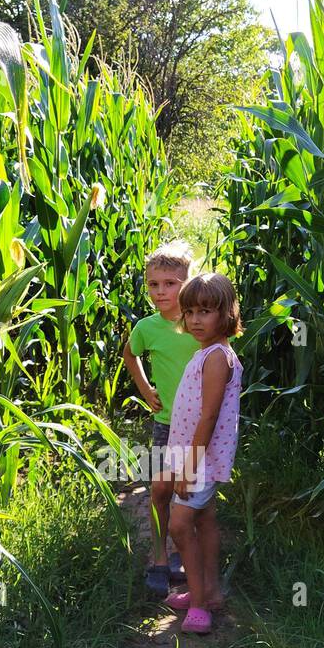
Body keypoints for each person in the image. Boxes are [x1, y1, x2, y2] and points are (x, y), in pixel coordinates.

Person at [165, 272, 243, 635]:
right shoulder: (209, 353)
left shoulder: (216, 358)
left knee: (179, 525)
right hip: (198, 458)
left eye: (206, 311)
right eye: (190, 311)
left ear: (226, 314)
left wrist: (189, 466)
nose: (195, 319)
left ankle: (198, 606)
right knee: (205, 519)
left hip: (200, 461)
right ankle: (208, 591)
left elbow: (209, 415)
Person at [123, 241, 199, 595]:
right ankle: (158, 558)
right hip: (166, 422)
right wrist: (145, 389)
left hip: (200, 427)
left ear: (188, 282)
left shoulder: (199, 325)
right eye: (153, 284)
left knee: (191, 494)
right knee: (159, 491)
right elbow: (130, 355)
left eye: (170, 283)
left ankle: (185, 557)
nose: (160, 291)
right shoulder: (146, 328)